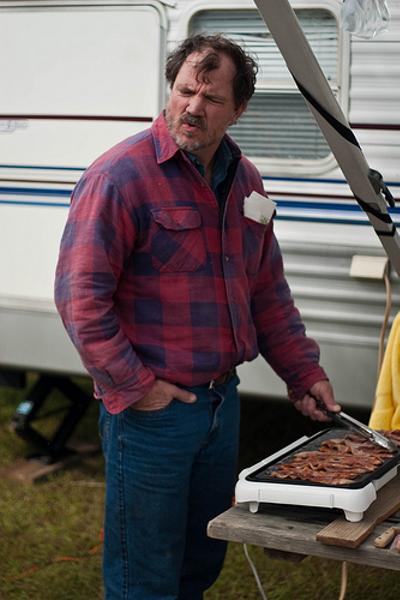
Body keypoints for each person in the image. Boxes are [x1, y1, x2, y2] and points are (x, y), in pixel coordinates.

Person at [55, 34, 340, 600]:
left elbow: (266, 291)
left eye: (211, 98)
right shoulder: (119, 176)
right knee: (145, 578)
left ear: (238, 109)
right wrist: (137, 387)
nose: (192, 106)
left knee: (199, 563)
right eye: (185, 90)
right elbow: (80, 299)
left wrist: (303, 373)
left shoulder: (246, 180)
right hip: (152, 415)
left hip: (221, 403)